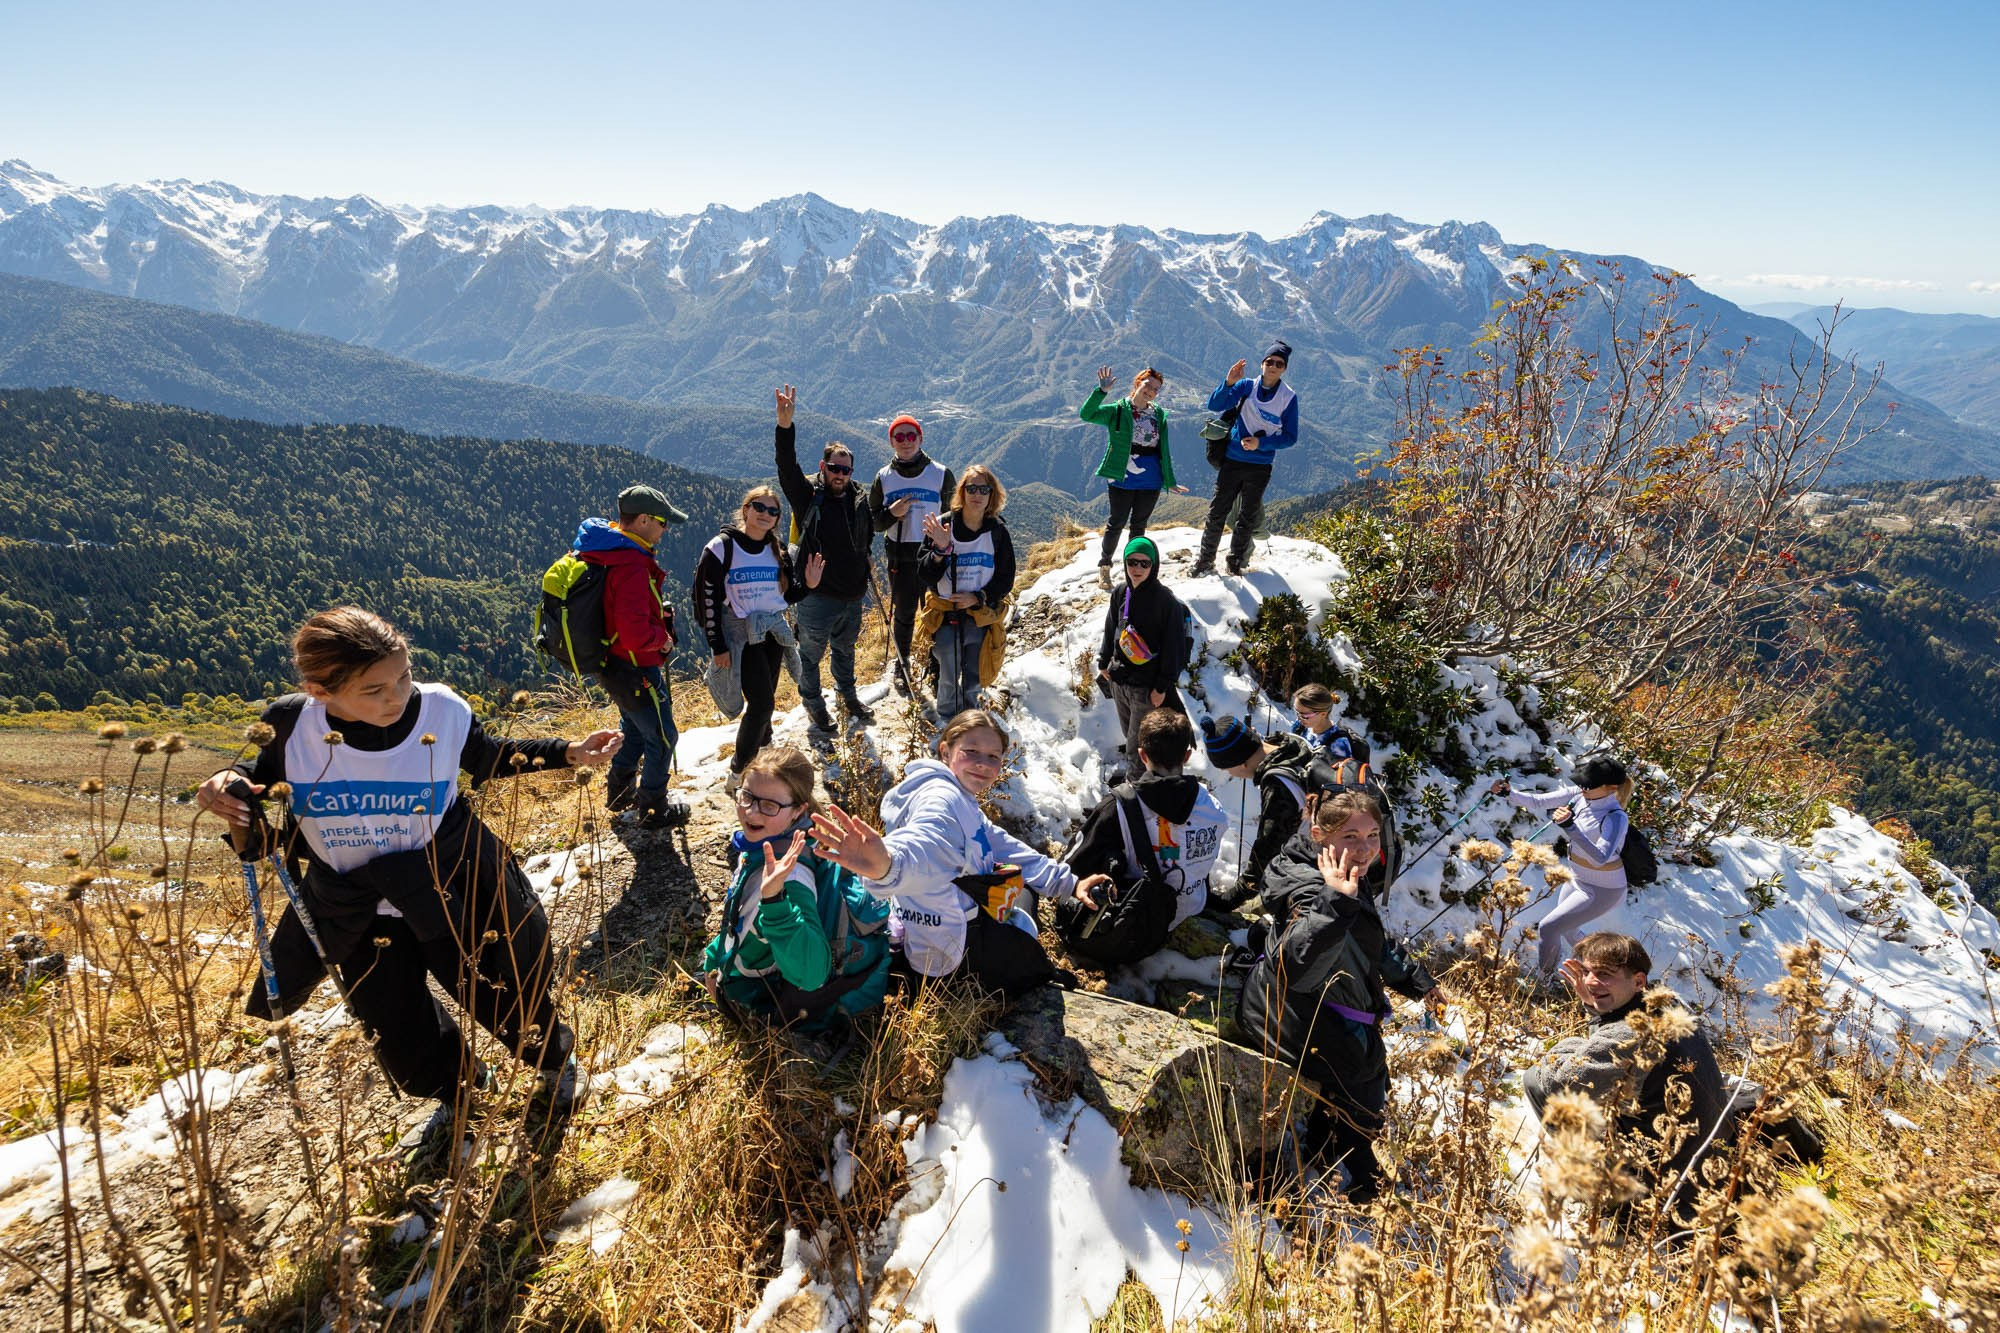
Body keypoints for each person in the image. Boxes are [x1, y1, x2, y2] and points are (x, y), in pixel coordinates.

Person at [193, 607, 622, 1134]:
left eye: (404, 675)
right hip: (355, 903)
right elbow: (251, 775)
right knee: (394, 1021)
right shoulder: (290, 724)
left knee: (499, 986)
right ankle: (458, 1088)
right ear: (320, 690)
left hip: (447, 884)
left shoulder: (441, 710)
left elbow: (487, 756)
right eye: (372, 690)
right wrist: (224, 781)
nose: (396, 697)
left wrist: (568, 752)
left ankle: (553, 1064)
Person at [809, 709, 1109, 999]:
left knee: (1023, 889)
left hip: (934, 929)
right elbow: (926, 841)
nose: (982, 763)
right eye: (971, 751)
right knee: (1027, 924)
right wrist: (888, 865)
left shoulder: (959, 798)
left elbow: (1000, 843)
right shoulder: (943, 800)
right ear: (945, 751)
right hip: (946, 956)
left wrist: (1068, 883)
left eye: (993, 757)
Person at [1237, 790, 1438, 1204]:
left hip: (1303, 1006)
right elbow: (1298, 969)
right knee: (1364, 1073)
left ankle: (1332, 1149)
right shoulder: (1316, 891)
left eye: (1372, 835)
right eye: (1350, 836)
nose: (1365, 849)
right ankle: (1354, 1170)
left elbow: (1370, 941)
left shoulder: (1338, 872)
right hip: (1292, 1013)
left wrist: (1417, 980)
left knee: (1364, 1068)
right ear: (1318, 834)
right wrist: (1335, 902)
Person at [1522, 932, 1728, 1221]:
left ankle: (1601, 1194)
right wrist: (1596, 1011)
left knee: (1535, 1080)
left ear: (1638, 981)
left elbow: (1562, 1081)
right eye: (1587, 971)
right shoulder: (1672, 1004)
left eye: (1605, 974)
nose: (1591, 982)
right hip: (1700, 1161)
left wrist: (1559, 1053)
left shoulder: (1628, 1034)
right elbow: (1601, 1052)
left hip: (1659, 1178)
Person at [699, 746, 890, 1030]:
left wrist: (775, 901)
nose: (752, 811)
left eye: (770, 805)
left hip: (765, 1001)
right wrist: (713, 961)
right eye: (747, 796)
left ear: (798, 810)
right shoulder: (773, 841)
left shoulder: (791, 874)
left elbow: (812, 974)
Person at [694, 485, 822, 790]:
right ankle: (738, 772)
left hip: (772, 634)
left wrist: (810, 585)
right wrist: (717, 645)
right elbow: (705, 599)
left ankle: (763, 747)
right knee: (763, 704)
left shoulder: (776, 550)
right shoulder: (722, 547)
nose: (766, 514)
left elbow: (787, 595)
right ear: (746, 509)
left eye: (773, 511)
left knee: (766, 697)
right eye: (759, 507)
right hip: (740, 636)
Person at [573, 483, 686, 825]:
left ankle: (619, 797)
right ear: (640, 521)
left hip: (613, 664)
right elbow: (636, 633)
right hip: (637, 666)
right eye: (662, 522)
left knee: (634, 730)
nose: (666, 529)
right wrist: (661, 639)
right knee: (664, 737)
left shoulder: (607, 550)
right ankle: (653, 809)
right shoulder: (632, 565)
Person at [1063, 708, 1229, 936]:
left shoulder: (1119, 805)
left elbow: (1072, 865)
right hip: (1190, 905)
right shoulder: (1214, 808)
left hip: (1140, 915)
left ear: (1142, 755)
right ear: (1187, 756)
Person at [773, 385, 876, 734]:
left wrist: (868, 560)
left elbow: (866, 532)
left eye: (846, 470)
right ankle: (814, 705)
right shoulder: (808, 496)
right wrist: (785, 426)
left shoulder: (858, 498)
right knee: (811, 656)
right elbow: (786, 467)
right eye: (834, 469)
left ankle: (848, 697)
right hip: (816, 596)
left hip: (852, 595)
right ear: (824, 466)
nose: (840, 475)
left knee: (846, 653)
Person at [1491, 755, 1632, 977]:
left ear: (1610, 788)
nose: (1583, 787)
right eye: (1582, 781)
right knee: (1567, 930)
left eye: (1589, 785)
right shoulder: (1579, 795)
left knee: (1549, 927)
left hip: (1603, 890)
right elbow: (1539, 801)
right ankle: (1607, 968)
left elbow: (1600, 857)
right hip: (1578, 879)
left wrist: (1570, 826)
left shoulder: (1615, 818)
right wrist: (1509, 793)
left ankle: (1544, 980)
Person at [1194, 341, 1299, 578]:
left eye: (1278, 363)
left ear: (1284, 369)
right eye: (1269, 361)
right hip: (1233, 459)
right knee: (1217, 512)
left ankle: (1235, 562)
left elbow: (1291, 437)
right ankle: (1205, 561)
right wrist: (1229, 382)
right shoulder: (1245, 386)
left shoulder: (1288, 398)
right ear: (1262, 364)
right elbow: (1215, 405)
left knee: (1247, 517)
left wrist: (1261, 443)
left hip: (1260, 465)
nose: (1273, 366)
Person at [918, 463, 1015, 720]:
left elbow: (1006, 578)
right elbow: (924, 574)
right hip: (945, 612)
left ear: (992, 495)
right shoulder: (943, 527)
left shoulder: (997, 532)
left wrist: (978, 597)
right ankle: (948, 720)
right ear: (962, 491)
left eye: (984, 489)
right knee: (948, 672)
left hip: (978, 614)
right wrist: (939, 549)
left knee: (975, 672)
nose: (977, 494)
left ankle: (971, 718)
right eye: (971, 488)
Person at [1199, 714, 1325, 911]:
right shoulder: (1290, 746)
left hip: (1322, 866)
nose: (1229, 774)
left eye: (1226, 768)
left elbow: (1266, 852)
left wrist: (1232, 899)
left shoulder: (1279, 787)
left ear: (1240, 763)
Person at [869, 414, 955, 696]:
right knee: (904, 613)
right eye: (899, 437)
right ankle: (903, 662)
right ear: (891, 441)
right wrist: (891, 514)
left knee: (935, 611)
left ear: (920, 438)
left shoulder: (941, 473)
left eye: (911, 436)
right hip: (901, 556)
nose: (906, 442)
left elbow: (955, 514)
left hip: (933, 553)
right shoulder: (884, 477)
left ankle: (936, 663)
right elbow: (872, 522)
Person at [1079, 365, 1188, 586]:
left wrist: (1169, 480)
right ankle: (1105, 566)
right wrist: (1101, 392)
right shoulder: (1117, 411)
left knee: (1139, 525)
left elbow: (1163, 451)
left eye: (1156, 389)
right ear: (1137, 383)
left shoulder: (1158, 414)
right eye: (1148, 385)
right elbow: (1087, 414)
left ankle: (1134, 570)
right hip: (1122, 475)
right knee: (1116, 523)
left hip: (1151, 479)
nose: (1151, 391)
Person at [1096, 535, 1190, 770]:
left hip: (1146, 689)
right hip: (1120, 682)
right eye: (1132, 562)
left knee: (1139, 749)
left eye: (1144, 563)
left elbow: (1174, 647)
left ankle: (1136, 794)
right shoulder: (1121, 592)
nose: (1136, 568)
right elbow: (1112, 628)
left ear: (1154, 565)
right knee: (1131, 736)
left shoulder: (1165, 601)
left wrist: (1161, 687)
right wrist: (1104, 660)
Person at [1290, 683, 1370, 765]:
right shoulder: (1300, 727)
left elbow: (1342, 776)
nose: (1299, 718)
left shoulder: (1338, 744)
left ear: (1323, 714)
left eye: (1304, 715)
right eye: (1297, 712)